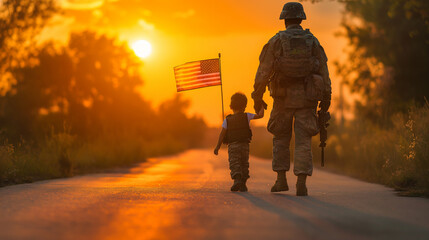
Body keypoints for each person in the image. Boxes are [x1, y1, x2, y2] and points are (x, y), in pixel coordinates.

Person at [251, 2, 332, 196]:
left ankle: (281, 181)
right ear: (301, 19)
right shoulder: (312, 41)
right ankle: (301, 183)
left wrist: (257, 96)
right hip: (307, 98)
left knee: (281, 138)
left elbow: (263, 71)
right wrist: (327, 98)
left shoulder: (276, 41)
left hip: (282, 97)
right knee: (303, 140)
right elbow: (324, 71)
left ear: (284, 19)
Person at [214, 92, 264, 192]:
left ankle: (237, 181)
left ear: (231, 106)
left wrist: (217, 147)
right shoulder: (247, 116)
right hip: (245, 145)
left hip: (233, 146)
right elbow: (260, 115)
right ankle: (243, 184)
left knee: (235, 163)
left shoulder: (227, 120)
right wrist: (261, 105)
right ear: (245, 106)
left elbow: (222, 135)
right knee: (244, 163)